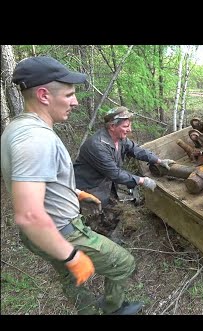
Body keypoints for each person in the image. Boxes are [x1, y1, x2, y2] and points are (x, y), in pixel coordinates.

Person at [1, 56, 143, 315]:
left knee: (69, 278)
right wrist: (71, 254)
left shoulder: (18, 128)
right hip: (61, 230)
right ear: (44, 95)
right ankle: (114, 310)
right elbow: (29, 214)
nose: (75, 101)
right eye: (69, 94)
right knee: (123, 262)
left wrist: (74, 192)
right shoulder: (36, 139)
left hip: (43, 232)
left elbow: (40, 182)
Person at [73, 106, 175, 235]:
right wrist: (142, 180)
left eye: (129, 126)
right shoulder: (97, 145)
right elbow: (115, 174)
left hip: (105, 183)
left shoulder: (119, 139)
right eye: (126, 126)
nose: (129, 130)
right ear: (112, 126)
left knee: (114, 212)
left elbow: (136, 150)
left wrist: (159, 161)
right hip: (89, 187)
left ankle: (107, 236)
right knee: (95, 218)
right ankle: (96, 242)